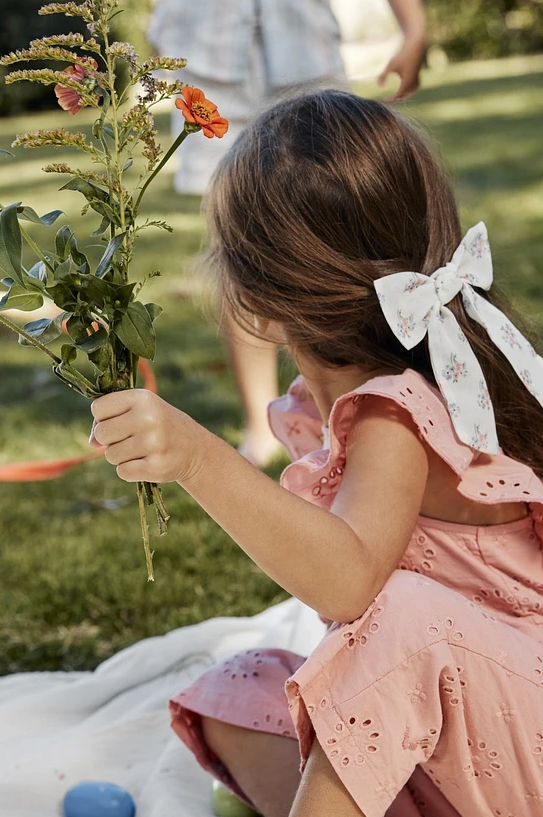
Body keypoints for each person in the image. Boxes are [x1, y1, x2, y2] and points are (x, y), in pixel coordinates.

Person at [90, 91, 543, 817]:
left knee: (401, 615)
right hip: (458, 780)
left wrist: (199, 458)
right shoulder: (323, 408)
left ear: (256, 298)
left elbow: (353, 581)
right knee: (240, 685)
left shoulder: (397, 412)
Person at [147, 0, 429, 467]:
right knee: (238, 241)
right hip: (205, 48)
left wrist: (413, 28)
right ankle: (264, 425)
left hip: (302, 43)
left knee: (340, 225)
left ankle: (372, 406)